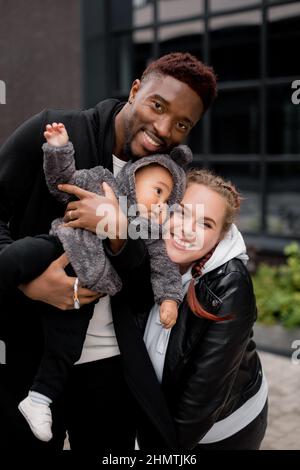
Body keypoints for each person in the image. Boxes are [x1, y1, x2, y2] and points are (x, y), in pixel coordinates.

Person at [0, 52, 217, 452]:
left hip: (110, 364)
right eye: (157, 106)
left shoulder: (166, 181)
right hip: (33, 352)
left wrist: (118, 232)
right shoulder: (60, 131)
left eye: (182, 124)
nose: (164, 128)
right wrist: (29, 285)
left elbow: (146, 279)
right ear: (135, 89)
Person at [104, 168, 268, 450]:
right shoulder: (140, 252)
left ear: (220, 236)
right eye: (181, 212)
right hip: (159, 415)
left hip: (224, 430)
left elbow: (200, 402)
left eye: (205, 224)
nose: (186, 230)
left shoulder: (230, 285)